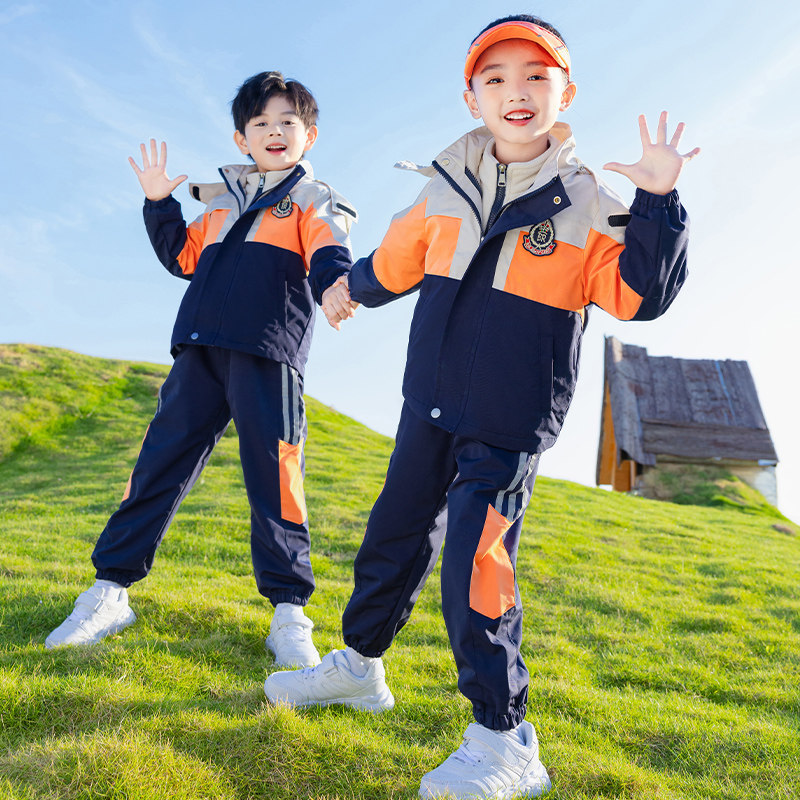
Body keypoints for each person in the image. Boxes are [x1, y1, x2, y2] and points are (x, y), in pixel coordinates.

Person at [264, 14, 699, 799]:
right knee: (391, 540)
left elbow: (639, 295)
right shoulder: (444, 187)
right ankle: (359, 667)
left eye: (536, 77)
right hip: (428, 403)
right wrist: (343, 289)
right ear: (473, 99)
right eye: (495, 78)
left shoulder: (589, 201)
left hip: (508, 420)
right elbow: (395, 262)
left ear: (566, 94)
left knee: (475, 568)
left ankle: (506, 739)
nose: (515, 91)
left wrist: (659, 200)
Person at [45, 71, 357, 668]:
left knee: (276, 479)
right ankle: (109, 593)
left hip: (268, 353)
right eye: (260, 123)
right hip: (199, 351)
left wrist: (334, 286)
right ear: (242, 138)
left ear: (308, 135)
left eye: (287, 122)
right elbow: (183, 258)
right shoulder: (218, 202)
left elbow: (327, 249)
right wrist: (159, 202)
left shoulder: (313, 197)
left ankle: (290, 615)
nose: (273, 131)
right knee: (157, 466)